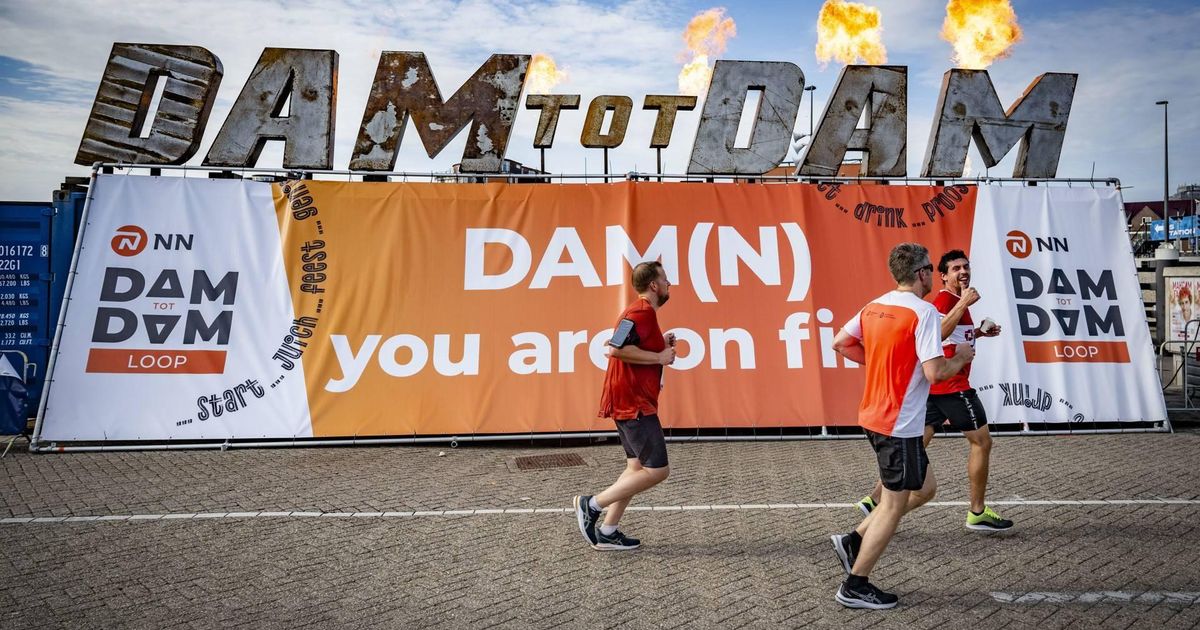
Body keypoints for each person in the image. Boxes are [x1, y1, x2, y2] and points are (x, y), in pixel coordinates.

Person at [829, 243, 975, 609]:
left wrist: (885, 364)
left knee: (925, 488)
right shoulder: (925, 313)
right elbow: (935, 372)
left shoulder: (874, 305)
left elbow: (840, 342)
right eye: (931, 268)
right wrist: (960, 358)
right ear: (923, 273)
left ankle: (853, 541)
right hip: (899, 423)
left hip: (875, 416)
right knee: (893, 505)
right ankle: (855, 585)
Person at [855, 250, 1012, 531]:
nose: (963, 272)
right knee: (982, 442)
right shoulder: (945, 300)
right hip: (951, 384)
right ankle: (977, 511)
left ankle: (874, 500)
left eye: (966, 267)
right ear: (942, 276)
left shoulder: (955, 301)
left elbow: (952, 336)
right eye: (955, 269)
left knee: (916, 445)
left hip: (936, 388)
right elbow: (937, 333)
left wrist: (978, 333)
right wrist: (963, 303)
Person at [573, 261, 676, 551]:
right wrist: (660, 357)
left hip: (629, 400)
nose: (669, 284)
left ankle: (608, 531)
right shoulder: (641, 312)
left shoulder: (642, 314)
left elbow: (625, 343)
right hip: (634, 403)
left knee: (636, 467)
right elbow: (617, 349)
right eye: (665, 280)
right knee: (658, 470)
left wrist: (659, 344)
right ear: (653, 285)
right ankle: (592, 505)